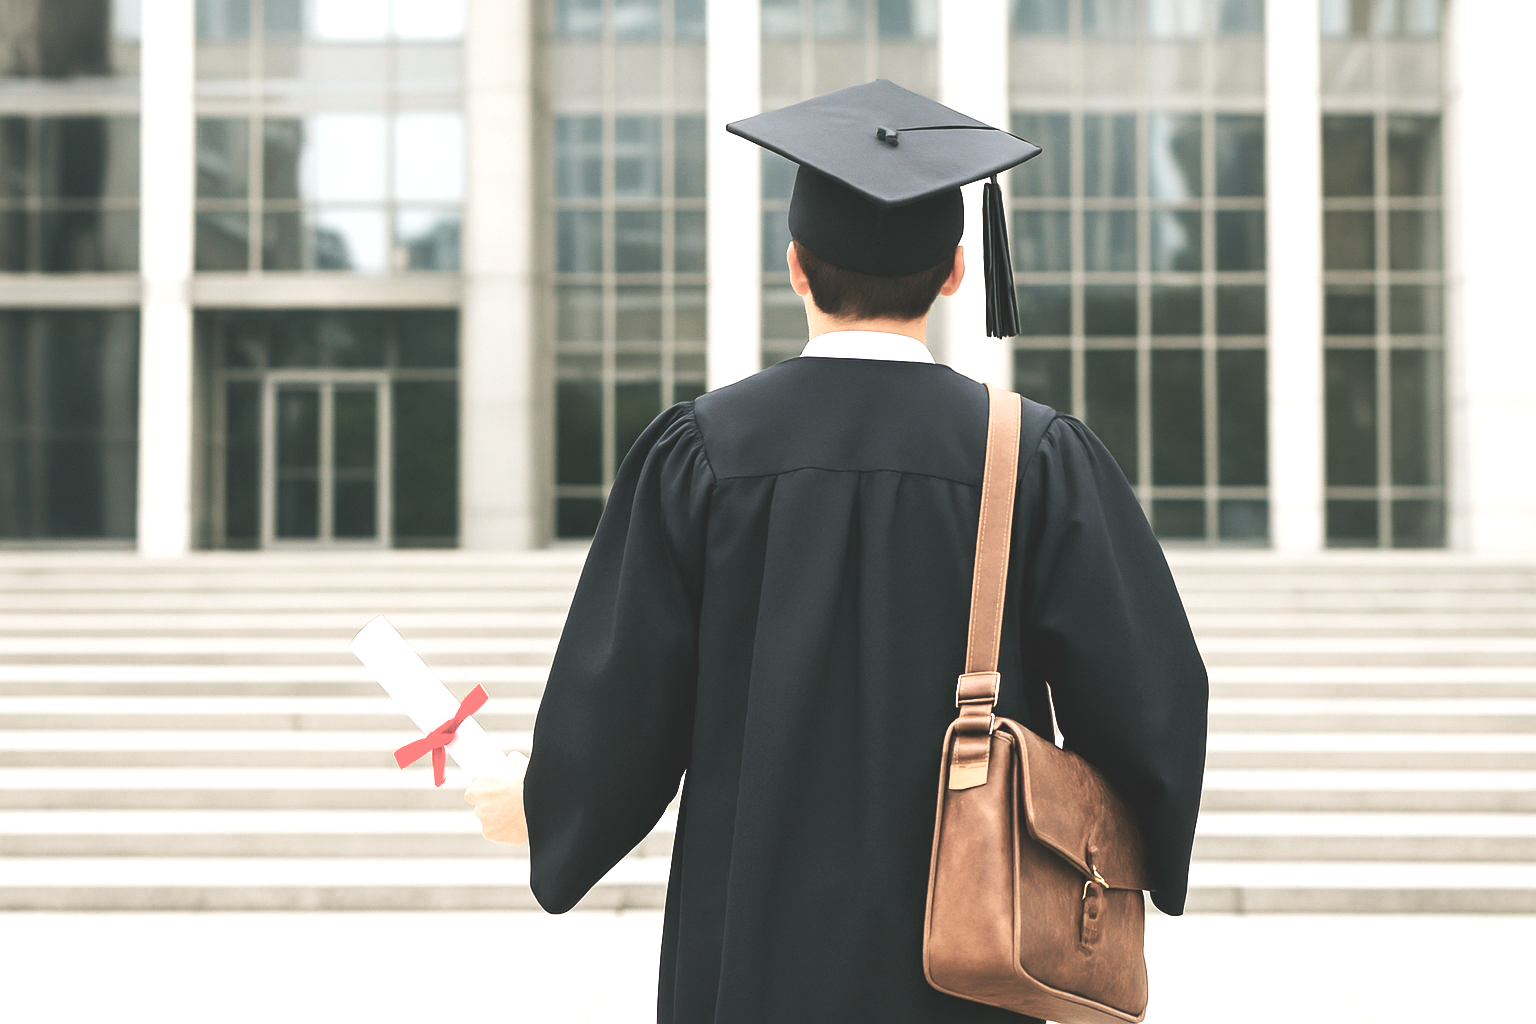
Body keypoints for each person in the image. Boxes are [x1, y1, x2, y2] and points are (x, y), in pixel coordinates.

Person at [464, 80, 1208, 1024]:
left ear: (795, 268)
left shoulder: (699, 453)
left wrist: (542, 808)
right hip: (976, 951)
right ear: (954, 272)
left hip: (751, 947)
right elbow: (1154, 696)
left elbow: (626, 702)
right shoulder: (1036, 457)